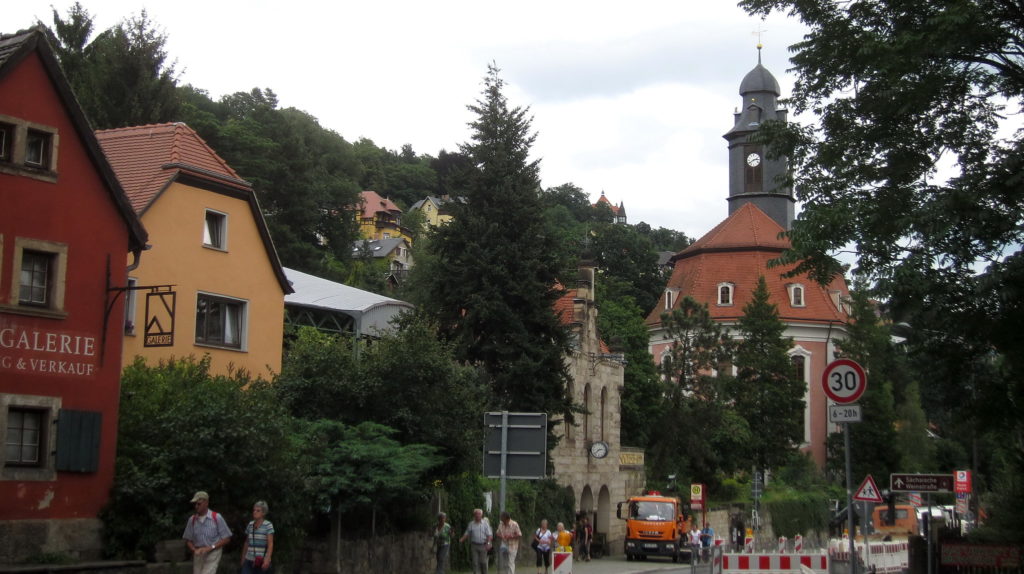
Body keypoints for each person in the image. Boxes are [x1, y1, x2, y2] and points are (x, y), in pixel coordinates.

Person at [182, 491, 232, 574]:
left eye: (199, 504)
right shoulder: (192, 520)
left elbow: (227, 538)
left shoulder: (216, 517)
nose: (196, 506)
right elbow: (188, 540)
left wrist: (210, 547)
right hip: (199, 552)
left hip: (213, 550)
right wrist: (194, 549)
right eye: (195, 504)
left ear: (206, 503)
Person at [240, 500, 274, 573]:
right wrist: (243, 558)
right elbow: (246, 542)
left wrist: (267, 559)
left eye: (258, 510)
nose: (255, 512)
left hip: (261, 560)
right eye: (254, 510)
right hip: (249, 560)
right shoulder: (250, 524)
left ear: (263, 513)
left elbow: (270, 544)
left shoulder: (268, 525)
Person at [459, 508, 493, 574]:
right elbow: (467, 533)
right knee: (475, 562)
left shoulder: (485, 524)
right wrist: (461, 539)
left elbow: (489, 535)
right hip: (474, 545)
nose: (477, 515)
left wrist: (488, 543)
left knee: (483, 562)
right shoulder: (471, 524)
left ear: (481, 515)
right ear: (474, 515)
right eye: (476, 514)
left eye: (479, 514)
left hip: (483, 545)